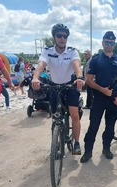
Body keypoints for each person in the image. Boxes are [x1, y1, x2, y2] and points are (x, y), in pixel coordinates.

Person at [31, 23, 84, 154]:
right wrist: (35, 77)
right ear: (54, 37)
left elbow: (76, 65)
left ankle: (76, 142)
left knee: (75, 115)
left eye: (65, 36)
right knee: (55, 118)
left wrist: (80, 77)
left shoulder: (72, 51)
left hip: (69, 86)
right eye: (59, 35)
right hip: (54, 87)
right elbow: (41, 64)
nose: (62, 38)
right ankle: (57, 142)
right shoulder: (47, 51)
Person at [80, 31, 117, 163]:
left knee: (110, 126)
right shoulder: (96, 60)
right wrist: (102, 90)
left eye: (112, 43)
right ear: (102, 43)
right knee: (93, 126)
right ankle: (88, 151)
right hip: (99, 98)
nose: (109, 45)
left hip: (114, 99)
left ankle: (106, 148)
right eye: (107, 42)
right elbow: (88, 80)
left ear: (114, 44)